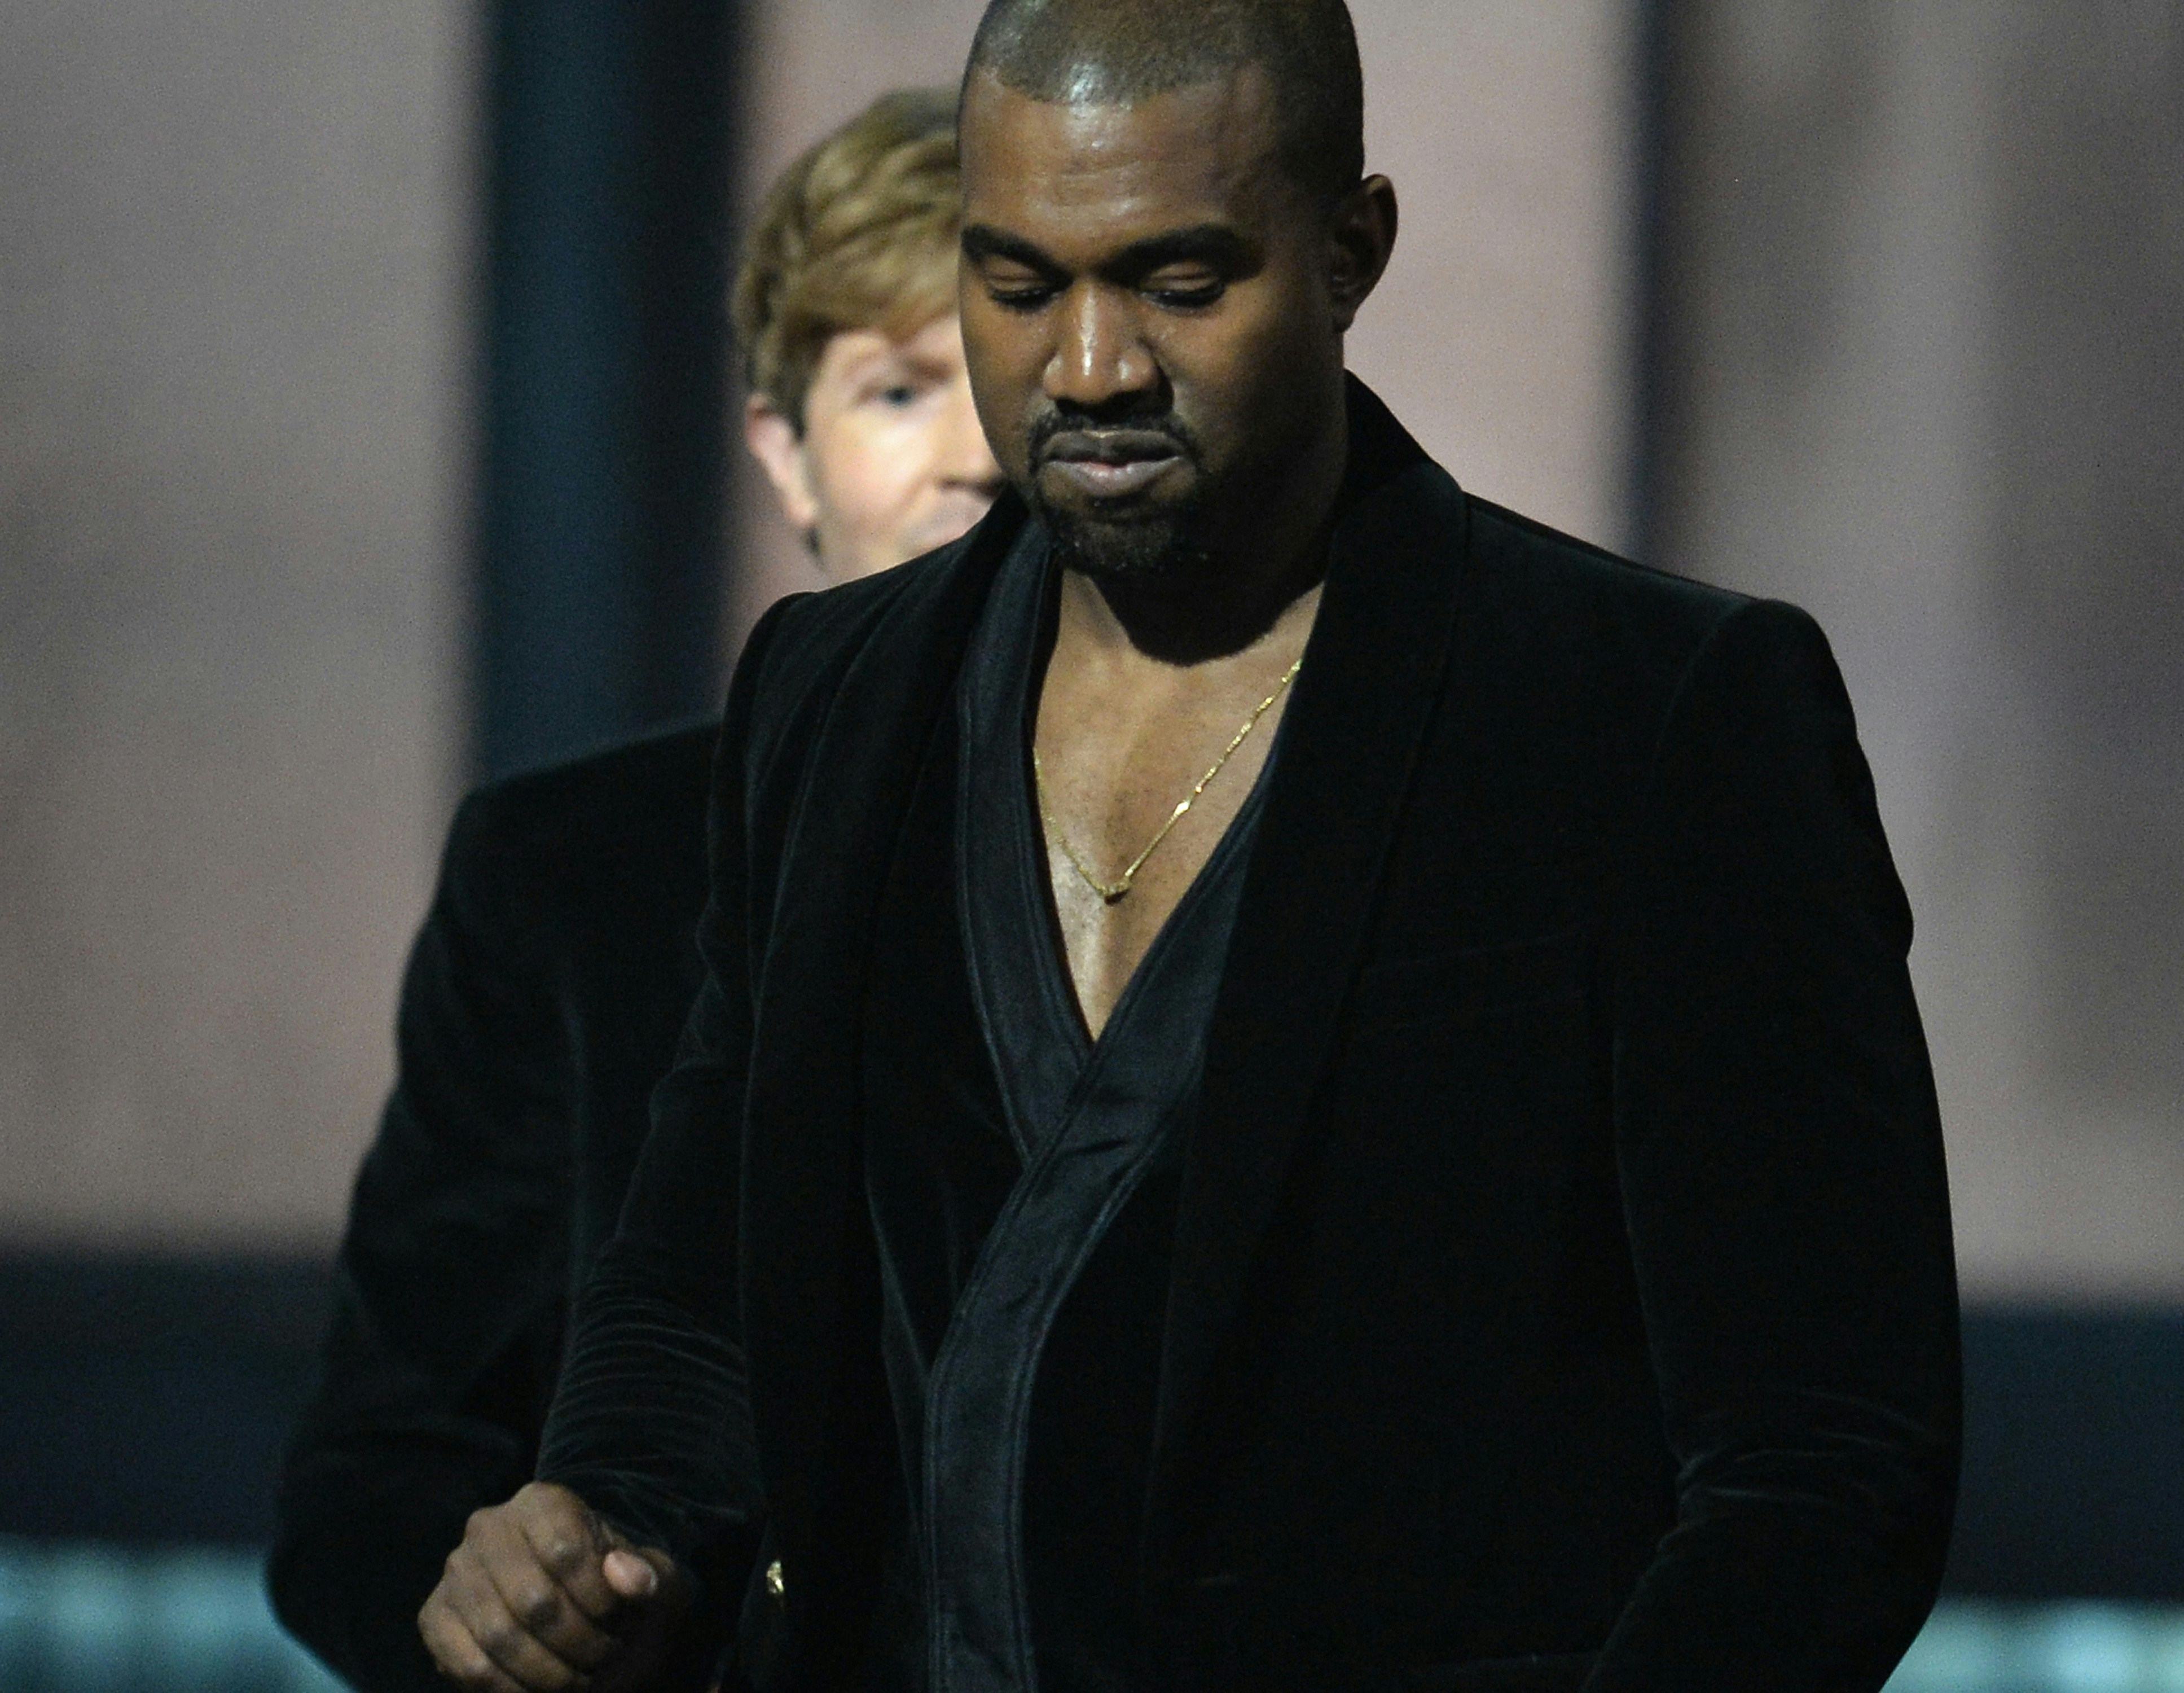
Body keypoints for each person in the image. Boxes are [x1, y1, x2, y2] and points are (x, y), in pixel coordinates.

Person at [420, 2, 1962, 1690]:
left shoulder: (1649, 716)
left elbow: (1821, 1471)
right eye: (1019, 287)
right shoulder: (832, 695)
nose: (1092, 368)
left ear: (1350, 252)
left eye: (1178, 283)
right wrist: (598, 1526)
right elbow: (701, 1282)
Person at [267, 88, 1002, 1693]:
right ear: (784, 455)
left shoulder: (1261, 809)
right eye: (898, 390)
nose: (973, 455)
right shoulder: (568, 872)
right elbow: (375, 1474)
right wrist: (530, 1615)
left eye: (1006, 378)